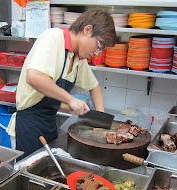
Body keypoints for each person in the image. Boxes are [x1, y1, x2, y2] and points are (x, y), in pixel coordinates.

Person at [7, 8, 116, 157]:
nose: (97, 53)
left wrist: (101, 121)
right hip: (29, 126)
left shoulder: (78, 58)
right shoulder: (53, 37)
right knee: (30, 175)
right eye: (99, 45)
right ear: (88, 30)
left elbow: (94, 87)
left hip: (49, 125)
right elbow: (34, 77)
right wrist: (70, 99)